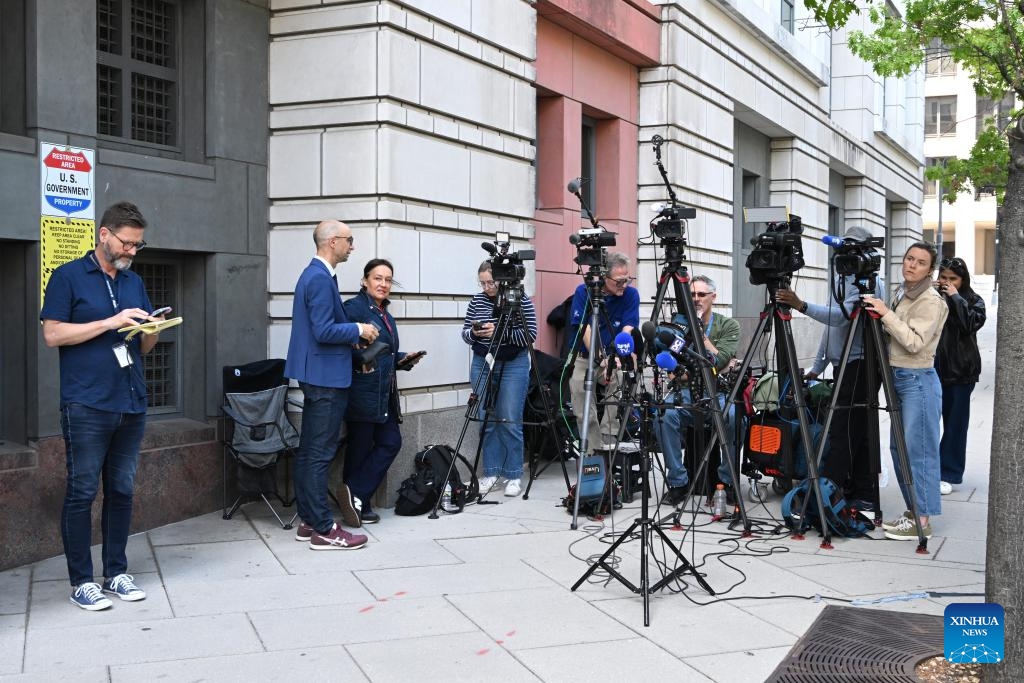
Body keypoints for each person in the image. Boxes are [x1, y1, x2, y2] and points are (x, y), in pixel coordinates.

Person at [41, 201, 164, 610]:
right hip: (86, 403)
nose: (132, 251)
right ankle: (81, 581)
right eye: (128, 244)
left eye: (138, 246)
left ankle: (116, 572)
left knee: (122, 490)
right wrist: (110, 323)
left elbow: (145, 346)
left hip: (131, 400)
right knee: (81, 491)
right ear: (104, 235)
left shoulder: (133, 282)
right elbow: (54, 335)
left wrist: (150, 329)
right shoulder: (68, 277)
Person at [775, 225, 885, 512]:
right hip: (843, 364)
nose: (845, 256)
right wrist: (818, 365)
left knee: (843, 432)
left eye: (851, 250)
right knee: (854, 432)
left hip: (861, 364)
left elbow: (843, 318)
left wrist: (800, 304)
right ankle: (859, 491)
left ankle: (830, 497)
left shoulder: (869, 282)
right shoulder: (843, 275)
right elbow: (830, 329)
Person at [285, 220, 375, 550]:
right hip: (324, 378)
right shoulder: (319, 278)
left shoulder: (316, 275)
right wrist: (359, 330)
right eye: (349, 240)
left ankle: (309, 520)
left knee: (311, 451)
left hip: (320, 374)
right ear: (332, 242)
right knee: (319, 453)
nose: (352, 246)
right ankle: (324, 527)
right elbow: (324, 331)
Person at [862, 242, 948, 540]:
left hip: (918, 381)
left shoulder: (930, 300)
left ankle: (923, 521)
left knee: (919, 452)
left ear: (930, 269)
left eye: (920, 262)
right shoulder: (903, 291)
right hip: (899, 378)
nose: (911, 265)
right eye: (909, 258)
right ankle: (914, 512)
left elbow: (913, 342)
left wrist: (885, 313)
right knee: (899, 449)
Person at [343, 259, 423, 523]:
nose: (383, 284)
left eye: (388, 280)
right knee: (359, 449)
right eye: (378, 278)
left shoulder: (385, 315)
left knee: (391, 442)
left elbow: (382, 352)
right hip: (363, 391)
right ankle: (359, 503)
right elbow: (350, 351)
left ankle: (354, 493)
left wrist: (402, 358)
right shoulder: (353, 309)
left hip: (384, 394)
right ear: (365, 280)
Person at [653, 275, 741, 505]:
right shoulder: (677, 326)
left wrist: (700, 331)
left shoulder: (728, 325)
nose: (696, 299)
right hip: (686, 391)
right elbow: (672, 367)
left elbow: (720, 360)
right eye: (691, 295)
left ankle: (727, 482)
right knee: (663, 416)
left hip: (718, 392)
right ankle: (678, 482)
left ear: (713, 297)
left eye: (701, 294)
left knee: (732, 417)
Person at [461, 261, 538, 497]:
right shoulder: (477, 300)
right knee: (486, 418)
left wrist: (499, 332)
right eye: (482, 283)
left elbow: (530, 334)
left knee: (510, 418)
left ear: (502, 280)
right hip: (483, 360)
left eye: (490, 282)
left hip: (514, 362)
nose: (486, 287)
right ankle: (491, 472)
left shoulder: (520, 299)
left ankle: (513, 474)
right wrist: (474, 332)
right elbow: (464, 333)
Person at [565, 252, 640, 452]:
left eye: (627, 279)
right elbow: (584, 329)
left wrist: (618, 356)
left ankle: (610, 437)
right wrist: (600, 357)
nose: (624, 284)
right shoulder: (584, 291)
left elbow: (628, 329)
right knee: (579, 386)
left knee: (621, 376)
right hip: (587, 355)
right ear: (605, 277)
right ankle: (593, 450)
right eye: (619, 281)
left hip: (614, 355)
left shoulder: (631, 295)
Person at [933, 256, 986, 495]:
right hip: (932, 369)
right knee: (930, 423)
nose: (946, 282)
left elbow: (969, 325)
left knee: (955, 424)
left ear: (962, 280)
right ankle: (931, 469)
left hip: (961, 372)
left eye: (952, 279)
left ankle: (949, 472)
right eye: (943, 277)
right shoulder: (932, 297)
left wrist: (955, 297)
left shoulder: (974, 300)